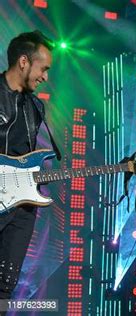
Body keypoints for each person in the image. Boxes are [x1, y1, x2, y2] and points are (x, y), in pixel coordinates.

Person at [0, 30, 55, 299]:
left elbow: (26, 155)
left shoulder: (35, 108)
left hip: (20, 210)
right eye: (43, 68)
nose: (45, 77)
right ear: (24, 61)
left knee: (4, 288)